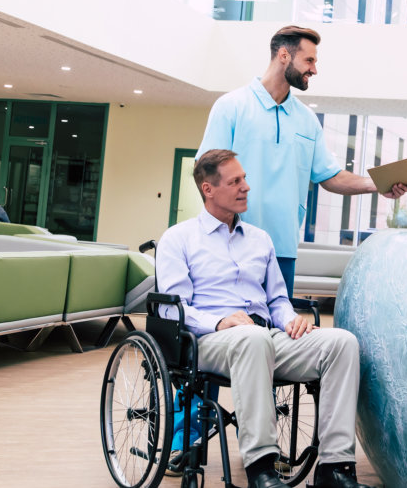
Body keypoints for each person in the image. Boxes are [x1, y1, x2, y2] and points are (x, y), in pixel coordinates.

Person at [157, 149, 371, 488]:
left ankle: (335, 468)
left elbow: (277, 300)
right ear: (208, 189)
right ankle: (262, 468)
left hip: (263, 336)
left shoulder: (260, 240)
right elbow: (173, 308)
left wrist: (290, 320)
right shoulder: (178, 239)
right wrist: (219, 322)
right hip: (208, 341)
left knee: (341, 342)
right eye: (235, 181)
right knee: (252, 338)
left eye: (244, 179)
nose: (246, 187)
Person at [197, 25, 407, 298]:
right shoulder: (231, 106)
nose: (314, 69)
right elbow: (205, 172)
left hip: (283, 248)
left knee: (276, 332)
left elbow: (330, 176)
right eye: (309, 60)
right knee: (230, 328)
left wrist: (377, 184)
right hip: (231, 244)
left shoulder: (306, 120)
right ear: (284, 55)